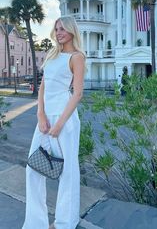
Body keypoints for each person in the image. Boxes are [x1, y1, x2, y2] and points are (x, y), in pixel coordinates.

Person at [22, 16, 86, 229]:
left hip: (64, 120)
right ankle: (35, 223)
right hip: (45, 119)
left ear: (71, 31)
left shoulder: (77, 57)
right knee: (32, 169)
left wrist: (58, 125)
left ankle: (64, 223)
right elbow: (43, 86)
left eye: (63, 29)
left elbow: (77, 94)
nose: (58, 33)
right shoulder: (52, 54)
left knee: (67, 172)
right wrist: (40, 115)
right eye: (56, 28)